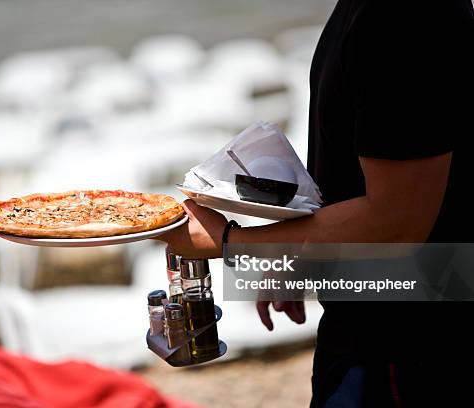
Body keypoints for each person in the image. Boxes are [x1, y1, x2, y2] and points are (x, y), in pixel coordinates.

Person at [160, 0, 474, 406]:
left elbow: (396, 221)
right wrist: (297, 256)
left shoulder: (402, 15)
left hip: (411, 342)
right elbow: (365, 165)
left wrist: (231, 243)